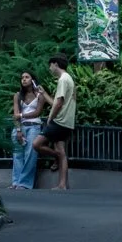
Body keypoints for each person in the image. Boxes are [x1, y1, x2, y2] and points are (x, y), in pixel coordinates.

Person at [36, 53, 76, 191]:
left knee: (37, 144)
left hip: (59, 121)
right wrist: (44, 94)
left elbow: (58, 103)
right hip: (67, 122)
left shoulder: (63, 80)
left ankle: (56, 156)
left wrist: (50, 117)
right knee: (62, 152)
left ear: (56, 64)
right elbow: (56, 102)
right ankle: (62, 185)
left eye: (50, 65)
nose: (49, 68)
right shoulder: (68, 79)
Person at [10, 69, 46, 189]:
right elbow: (15, 114)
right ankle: (16, 182)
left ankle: (24, 183)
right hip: (20, 127)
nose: (24, 79)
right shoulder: (17, 95)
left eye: (27, 77)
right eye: (22, 78)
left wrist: (21, 115)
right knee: (17, 155)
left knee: (30, 155)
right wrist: (18, 130)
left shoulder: (40, 96)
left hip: (33, 126)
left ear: (33, 80)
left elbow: (37, 112)